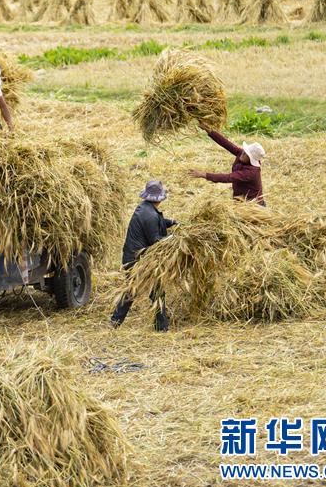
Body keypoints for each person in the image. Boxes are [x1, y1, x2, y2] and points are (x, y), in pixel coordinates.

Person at [111, 180, 176, 332]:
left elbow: (158, 222)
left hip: (135, 257)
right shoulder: (150, 215)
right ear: (159, 198)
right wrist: (173, 239)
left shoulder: (145, 208)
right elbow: (155, 240)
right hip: (138, 260)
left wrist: (171, 222)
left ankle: (159, 325)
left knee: (141, 290)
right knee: (143, 291)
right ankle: (160, 326)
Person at [188, 125, 266, 206]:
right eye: (245, 151)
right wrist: (210, 131)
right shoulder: (242, 154)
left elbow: (228, 177)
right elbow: (227, 144)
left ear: (251, 159)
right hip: (241, 201)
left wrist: (204, 174)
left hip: (253, 205)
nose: (243, 153)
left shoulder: (251, 172)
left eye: (247, 154)